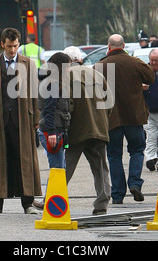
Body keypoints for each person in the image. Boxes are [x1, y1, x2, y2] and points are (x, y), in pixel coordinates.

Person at [0, 27, 42, 214]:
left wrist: (36, 118)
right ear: (2, 44)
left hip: (23, 118)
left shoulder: (29, 63)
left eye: (15, 46)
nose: (12, 50)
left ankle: (27, 203)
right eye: (9, 46)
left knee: (25, 159)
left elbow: (35, 92)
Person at [94, 34, 155, 204]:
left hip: (111, 119)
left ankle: (118, 194)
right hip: (134, 117)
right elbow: (151, 77)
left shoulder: (100, 66)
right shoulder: (135, 63)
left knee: (114, 155)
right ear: (124, 45)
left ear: (109, 46)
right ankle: (135, 183)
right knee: (136, 150)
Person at [64, 46, 112, 215]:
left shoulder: (67, 76)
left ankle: (52, 198)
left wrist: (64, 128)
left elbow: (67, 105)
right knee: (100, 167)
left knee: (65, 166)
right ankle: (102, 203)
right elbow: (109, 102)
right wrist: (103, 121)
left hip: (77, 130)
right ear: (80, 59)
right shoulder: (97, 75)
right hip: (98, 129)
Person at [36, 52, 72, 209]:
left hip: (57, 130)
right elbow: (49, 110)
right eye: (68, 66)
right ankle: (50, 203)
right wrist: (51, 132)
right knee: (57, 169)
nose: (70, 69)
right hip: (52, 131)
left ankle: (49, 201)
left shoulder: (53, 82)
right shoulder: (53, 84)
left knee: (59, 167)